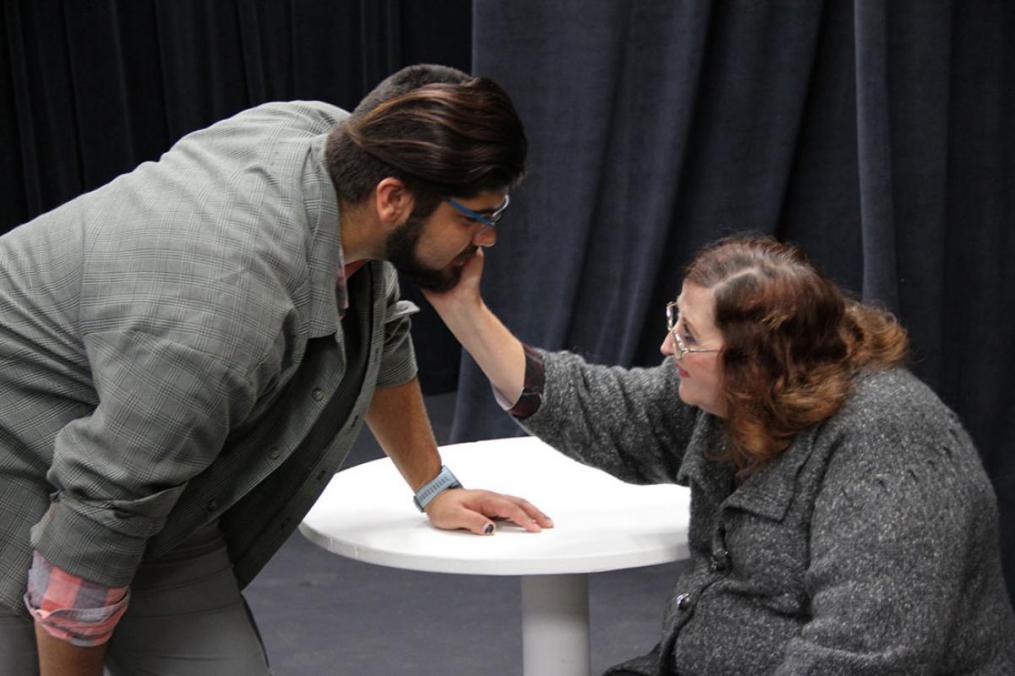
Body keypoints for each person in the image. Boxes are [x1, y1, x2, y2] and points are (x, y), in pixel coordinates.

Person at [0, 63, 553, 675]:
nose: (487, 240)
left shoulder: (340, 145)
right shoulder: (225, 309)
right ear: (393, 199)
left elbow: (379, 328)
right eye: (478, 217)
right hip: (22, 459)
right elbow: (97, 521)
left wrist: (435, 488)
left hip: (149, 464)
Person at [425, 235, 1015, 674]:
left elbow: (865, 656)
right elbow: (602, 410)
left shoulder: (889, 444)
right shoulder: (735, 395)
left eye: (688, 337)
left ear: (757, 359)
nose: (667, 345)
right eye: (674, 319)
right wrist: (462, 308)